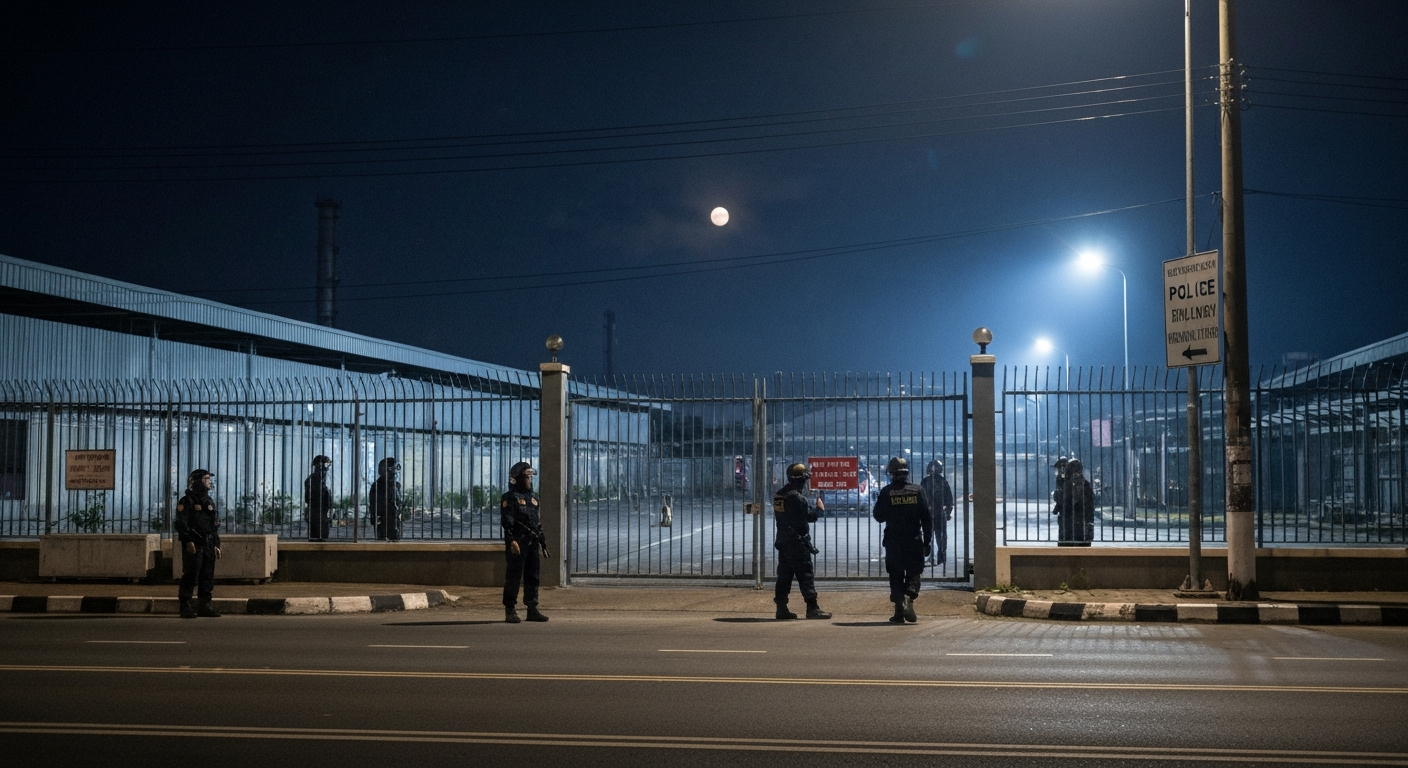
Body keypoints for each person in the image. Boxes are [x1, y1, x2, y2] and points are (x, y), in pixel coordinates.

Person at [872, 456, 932, 624]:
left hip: (893, 541)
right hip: (913, 539)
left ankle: (899, 611)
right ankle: (908, 597)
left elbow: (878, 517)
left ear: (891, 473)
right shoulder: (918, 490)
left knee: (896, 575)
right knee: (914, 572)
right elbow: (926, 519)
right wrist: (927, 542)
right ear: (907, 472)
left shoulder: (886, 492)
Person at [771, 463, 832, 620]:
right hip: (798, 543)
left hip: (783, 542)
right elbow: (811, 517)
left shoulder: (779, 495)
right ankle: (812, 608)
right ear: (802, 480)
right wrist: (820, 509)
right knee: (805, 575)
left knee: (784, 575)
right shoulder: (797, 498)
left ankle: (781, 607)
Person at [501, 461, 549, 623]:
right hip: (518, 543)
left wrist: (542, 543)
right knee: (514, 576)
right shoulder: (509, 498)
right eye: (527, 477)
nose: (530, 480)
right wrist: (511, 540)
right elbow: (507, 522)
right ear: (519, 478)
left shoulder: (534, 498)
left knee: (532, 576)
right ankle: (510, 609)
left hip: (532, 543)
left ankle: (532, 608)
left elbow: (537, 522)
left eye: (530, 477)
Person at [174, 469, 222, 619]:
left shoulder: (208, 501)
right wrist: (188, 540)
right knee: (191, 574)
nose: (209, 482)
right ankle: (185, 604)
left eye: (209, 479)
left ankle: (205, 605)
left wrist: (216, 544)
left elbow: (213, 526)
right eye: (206, 479)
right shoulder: (186, 501)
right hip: (195, 543)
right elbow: (181, 523)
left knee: (207, 575)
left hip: (208, 544)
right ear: (196, 482)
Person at [920, 459, 954, 567]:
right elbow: (949, 500)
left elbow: (949, 499)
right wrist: (948, 512)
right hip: (938, 512)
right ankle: (940, 558)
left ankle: (932, 557)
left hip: (930, 513)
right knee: (940, 536)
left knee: (930, 536)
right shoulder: (942, 481)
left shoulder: (925, 481)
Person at [1057, 458, 1096, 546]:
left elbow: (1060, 500)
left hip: (1072, 520)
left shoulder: (1066, 483)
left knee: (1068, 545)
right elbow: (1090, 504)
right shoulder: (1084, 484)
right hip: (1077, 520)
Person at [368, 457, 402, 541]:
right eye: (392, 470)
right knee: (382, 540)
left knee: (395, 539)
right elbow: (375, 503)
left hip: (393, 517)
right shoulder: (378, 485)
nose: (395, 473)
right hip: (383, 518)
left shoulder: (395, 485)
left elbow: (398, 501)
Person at [304, 455, 333, 542]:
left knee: (316, 536)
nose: (327, 469)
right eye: (327, 465)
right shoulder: (317, 478)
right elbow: (312, 496)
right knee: (320, 537)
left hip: (317, 511)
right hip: (319, 512)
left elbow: (307, 498)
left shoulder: (311, 479)